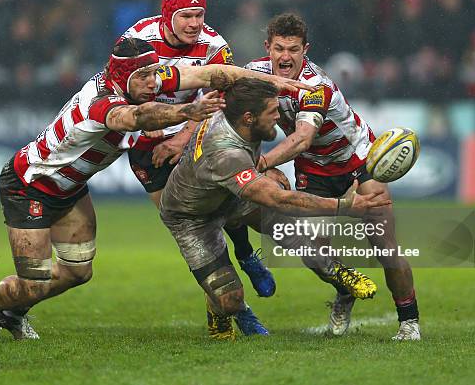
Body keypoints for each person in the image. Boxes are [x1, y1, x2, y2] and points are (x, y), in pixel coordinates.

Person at [0, 37, 305, 341]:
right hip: (29, 185)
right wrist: (186, 111)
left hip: (70, 190)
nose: (152, 83)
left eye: (154, 74)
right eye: (143, 77)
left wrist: (271, 81)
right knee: (34, 281)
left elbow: (210, 75)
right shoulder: (100, 103)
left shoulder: (142, 80)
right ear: (123, 74)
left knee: (77, 272)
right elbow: (135, 118)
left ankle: (14, 312)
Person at [159, 75, 389, 341]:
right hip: (191, 217)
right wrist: (344, 205)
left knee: (294, 234)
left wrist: (265, 165)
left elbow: (232, 80)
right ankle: (231, 309)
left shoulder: (234, 112)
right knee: (229, 299)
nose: (278, 117)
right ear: (248, 118)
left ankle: (335, 271)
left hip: (226, 192)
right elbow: (279, 200)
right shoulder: (226, 154)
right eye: (272, 112)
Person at [246, 13, 420, 340]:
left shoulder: (316, 86)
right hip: (313, 169)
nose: (286, 57)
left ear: (305, 50)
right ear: (267, 47)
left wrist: (263, 162)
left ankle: (408, 321)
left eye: (294, 50)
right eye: (279, 48)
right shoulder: (253, 73)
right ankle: (345, 289)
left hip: (359, 160)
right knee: (313, 250)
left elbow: (302, 139)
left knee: (385, 247)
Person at [120, 0, 275, 336]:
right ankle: (233, 304)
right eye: (186, 15)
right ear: (167, 14)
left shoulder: (215, 46)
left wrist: (181, 138)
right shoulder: (138, 38)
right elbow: (120, 85)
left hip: (196, 133)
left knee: (220, 202)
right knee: (186, 220)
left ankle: (246, 255)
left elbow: (220, 100)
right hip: (147, 142)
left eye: (199, 15)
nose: (194, 23)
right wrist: (150, 120)